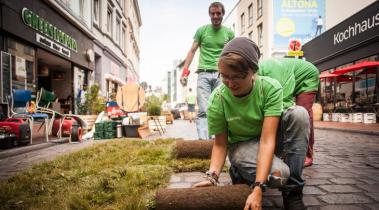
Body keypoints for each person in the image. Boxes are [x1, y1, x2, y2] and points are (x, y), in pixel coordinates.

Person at [193, 37, 309, 210]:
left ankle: (293, 193)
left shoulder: (270, 88)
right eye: (224, 76)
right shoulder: (218, 99)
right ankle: (239, 169)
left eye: (237, 77)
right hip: (241, 145)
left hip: (266, 140)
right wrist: (212, 177)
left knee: (299, 114)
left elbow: (267, 140)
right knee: (280, 175)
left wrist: (258, 187)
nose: (230, 84)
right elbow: (220, 144)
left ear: (253, 71)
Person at [180, 1, 235, 140]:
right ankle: (204, 144)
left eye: (218, 13)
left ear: (223, 14)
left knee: (220, 109)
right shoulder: (202, 31)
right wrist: (185, 73)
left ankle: (219, 142)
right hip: (203, 74)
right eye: (213, 13)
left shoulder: (228, 33)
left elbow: (233, 53)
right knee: (204, 110)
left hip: (221, 75)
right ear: (209, 15)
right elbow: (192, 51)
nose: (215, 16)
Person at [258, 58, 319, 167]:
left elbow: (282, 105)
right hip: (292, 75)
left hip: (307, 76)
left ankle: (307, 155)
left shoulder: (276, 75)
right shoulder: (258, 75)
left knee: (303, 113)